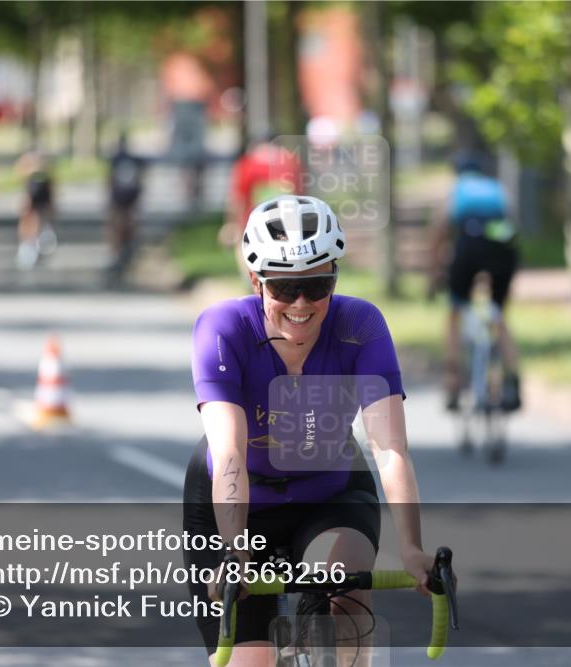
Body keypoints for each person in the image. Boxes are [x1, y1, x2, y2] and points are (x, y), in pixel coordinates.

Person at [185, 195, 435, 666]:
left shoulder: (360, 324)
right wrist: (236, 552)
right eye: (283, 287)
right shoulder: (223, 328)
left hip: (329, 490)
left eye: (317, 285)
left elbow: (391, 450)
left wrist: (412, 548)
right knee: (250, 659)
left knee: (347, 592)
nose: (301, 304)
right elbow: (231, 454)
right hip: (238, 502)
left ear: (335, 278)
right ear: (256, 281)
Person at [428, 153, 521, 413]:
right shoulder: (498, 189)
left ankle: (453, 384)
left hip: (469, 246)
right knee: (499, 314)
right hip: (504, 248)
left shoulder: (456, 190)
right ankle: (513, 381)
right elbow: (513, 223)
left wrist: (434, 276)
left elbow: (439, 231)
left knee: (455, 313)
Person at [219, 135, 302, 278]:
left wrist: (231, 224)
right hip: (288, 224)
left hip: (254, 225)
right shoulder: (291, 162)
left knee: (249, 261)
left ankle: (254, 286)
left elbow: (237, 199)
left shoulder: (248, 164)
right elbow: (300, 194)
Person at [104, 132, 146, 286]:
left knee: (120, 225)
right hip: (125, 199)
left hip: (125, 199)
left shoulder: (119, 160)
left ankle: (124, 250)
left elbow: (109, 180)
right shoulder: (125, 160)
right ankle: (120, 252)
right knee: (120, 225)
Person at [15, 150, 56, 270]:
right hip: (33, 193)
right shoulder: (30, 172)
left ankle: (39, 240)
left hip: (41, 195)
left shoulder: (45, 172)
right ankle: (28, 245)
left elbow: (52, 186)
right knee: (29, 218)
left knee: (39, 217)